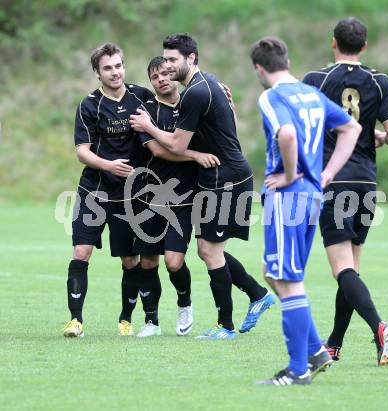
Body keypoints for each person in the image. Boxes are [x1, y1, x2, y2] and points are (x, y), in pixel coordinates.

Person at [130, 33, 274, 339]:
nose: (167, 66)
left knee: (209, 250)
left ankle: (226, 326)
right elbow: (228, 130)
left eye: (172, 60)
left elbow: (177, 144)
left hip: (226, 179)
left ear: (191, 58)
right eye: (164, 59)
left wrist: (148, 126)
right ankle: (257, 294)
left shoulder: (196, 92)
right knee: (210, 249)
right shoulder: (205, 84)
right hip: (221, 177)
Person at [250, 36, 361, 385]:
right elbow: (352, 127)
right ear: (287, 60)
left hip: (288, 197)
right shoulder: (312, 94)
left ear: (259, 68)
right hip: (312, 197)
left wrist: (290, 171)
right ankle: (315, 351)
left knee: (287, 279)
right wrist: (326, 173)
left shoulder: (272, 96)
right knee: (275, 272)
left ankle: (298, 370)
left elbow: (286, 134)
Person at [303, 17, 388, 366]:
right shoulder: (380, 80)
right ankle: (333, 345)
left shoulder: (317, 79)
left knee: (342, 270)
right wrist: (377, 136)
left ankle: (379, 326)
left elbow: (304, 131)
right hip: (365, 182)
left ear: (334, 43)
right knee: (351, 271)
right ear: (364, 45)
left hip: (334, 181)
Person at [63, 42, 154, 338]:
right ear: (97, 73)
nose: (115, 72)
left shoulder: (141, 97)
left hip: (130, 196)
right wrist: (108, 165)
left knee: (131, 260)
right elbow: (82, 151)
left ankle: (126, 319)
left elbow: (170, 113)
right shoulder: (89, 105)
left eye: (118, 66)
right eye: (107, 68)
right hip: (94, 191)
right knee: (81, 251)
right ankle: (75, 320)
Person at [130, 56, 220, 337]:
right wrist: (195, 155)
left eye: (166, 73)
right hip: (149, 196)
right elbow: (158, 150)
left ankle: (185, 303)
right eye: (155, 76)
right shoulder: (144, 112)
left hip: (184, 198)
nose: (162, 79)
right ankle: (151, 321)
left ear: (175, 74)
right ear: (151, 82)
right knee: (147, 262)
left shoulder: (192, 103)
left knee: (173, 261)